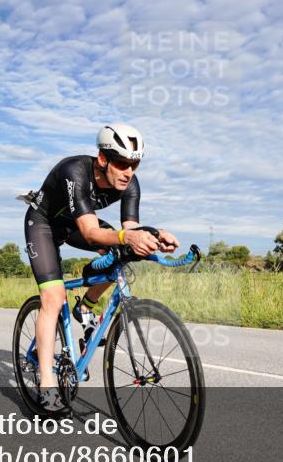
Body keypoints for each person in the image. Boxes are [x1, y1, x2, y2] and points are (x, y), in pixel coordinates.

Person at [20, 124, 178, 410]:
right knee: (53, 299)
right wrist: (125, 236)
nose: (128, 171)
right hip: (43, 224)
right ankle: (46, 383)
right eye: (121, 163)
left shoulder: (131, 183)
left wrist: (154, 235)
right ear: (103, 159)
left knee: (121, 251)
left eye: (135, 164)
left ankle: (85, 307)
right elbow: (92, 232)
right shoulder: (75, 172)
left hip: (76, 225)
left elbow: (130, 227)